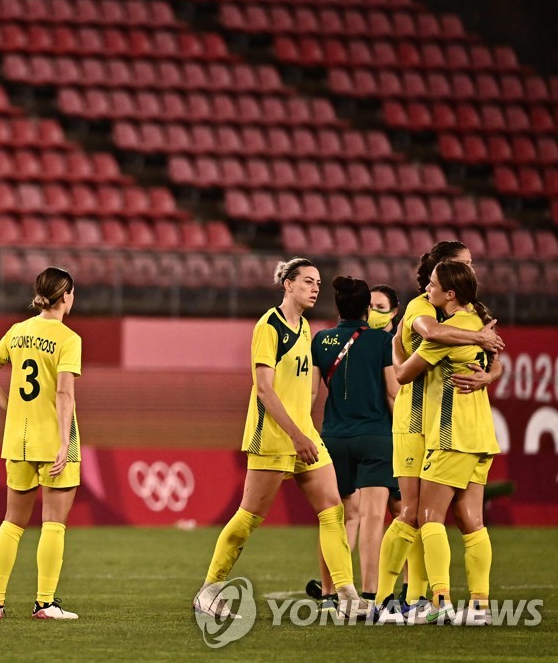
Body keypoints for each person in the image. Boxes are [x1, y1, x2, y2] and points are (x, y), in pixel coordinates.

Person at [193, 257, 370, 621]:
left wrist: (306, 430)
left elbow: (300, 388)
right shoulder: (269, 327)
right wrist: (295, 434)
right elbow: (264, 390)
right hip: (273, 437)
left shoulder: (304, 327)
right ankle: (209, 590)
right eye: (307, 281)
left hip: (303, 436)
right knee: (250, 517)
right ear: (287, 284)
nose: (315, 287)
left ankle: (347, 594)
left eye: (317, 282)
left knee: (333, 509)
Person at [373, 241, 504, 620]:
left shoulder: (459, 323)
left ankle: (427, 601)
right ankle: (452, 602)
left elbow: (407, 368)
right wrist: (482, 348)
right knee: (451, 517)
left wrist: (396, 346)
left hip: (445, 429)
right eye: (465, 263)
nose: (472, 269)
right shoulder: (424, 307)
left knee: (421, 515)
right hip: (427, 427)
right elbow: (431, 331)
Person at [0, 266, 82, 620]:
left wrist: (11, 407)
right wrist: (65, 442)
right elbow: (65, 393)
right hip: (52, 440)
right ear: (65, 296)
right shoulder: (68, 338)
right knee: (53, 523)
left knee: (12, 523)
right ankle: (44, 603)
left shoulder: (18, 332)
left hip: (18, 440)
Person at [310, 277, 399, 609]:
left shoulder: (320, 340)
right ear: (365, 308)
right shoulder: (381, 341)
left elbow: (312, 395)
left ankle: (330, 593)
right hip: (376, 437)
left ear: (338, 307)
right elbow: (392, 392)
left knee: (335, 518)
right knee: (375, 517)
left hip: (333, 437)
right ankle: (371, 595)